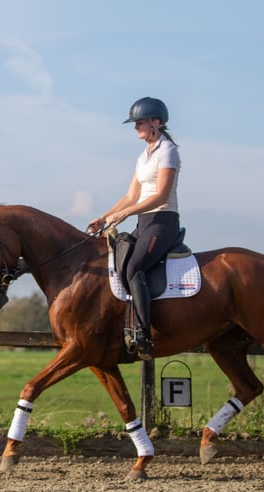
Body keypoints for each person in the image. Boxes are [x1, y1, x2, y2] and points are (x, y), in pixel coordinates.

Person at [87, 97, 182, 360]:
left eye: (139, 122)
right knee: (120, 261)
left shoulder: (168, 151)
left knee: (134, 267)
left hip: (162, 222)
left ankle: (143, 334)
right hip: (144, 222)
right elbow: (131, 196)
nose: (135, 127)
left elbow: (161, 196)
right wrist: (104, 217)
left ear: (157, 123)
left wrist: (126, 213)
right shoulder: (143, 156)